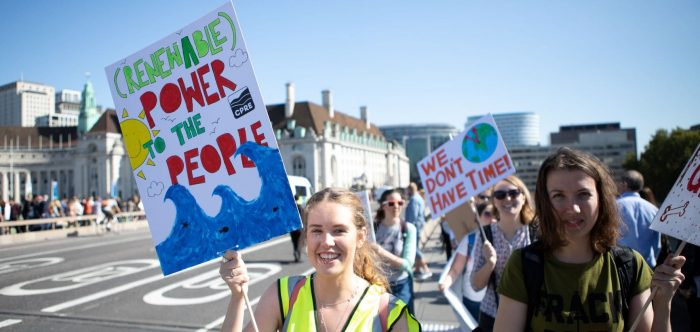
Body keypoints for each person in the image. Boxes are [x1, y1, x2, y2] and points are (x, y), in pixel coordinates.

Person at [495, 147, 686, 331]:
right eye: (559, 195)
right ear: (545, 202)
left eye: (583, 194)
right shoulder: (523, 266)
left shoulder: (630, 265)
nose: (573, 208)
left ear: (601, 199)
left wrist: (663, 305)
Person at [219, 187, 420, 331]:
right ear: (306, 236)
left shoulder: (389, 312)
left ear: (360, 237)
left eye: (339, 230)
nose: (327, 241)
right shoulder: (282, 295)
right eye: (316, 231)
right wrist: (237, 297)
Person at [470, 175, 535, 331]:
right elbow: (476, 285)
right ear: (494, 202)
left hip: (532, 315)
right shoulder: (486, 235)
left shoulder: (536, 233)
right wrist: (490, 263)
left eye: (513, 193)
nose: (507, 199)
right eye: (500, 195)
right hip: (493, 315)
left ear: (524, 197)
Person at [439, 201, 497, 320]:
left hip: (497, 302)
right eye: (487, 214)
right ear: (478, 218)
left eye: (496, 214)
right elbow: (455, 269)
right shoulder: (470, 239)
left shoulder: (504, 239)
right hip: (472, 300)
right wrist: (446, 283)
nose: (493, 219)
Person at [374, 188, 418, 314]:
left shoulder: (408, 229)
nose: (396, 206)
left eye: (400, 203)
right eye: (391, 203)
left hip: (401, 286)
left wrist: (380, 252)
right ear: (383, 206)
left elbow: (407, 264)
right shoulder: (373, 228)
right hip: (378, 287)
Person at [617, 170, 661, 267]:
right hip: (647, 265)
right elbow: (657, 245)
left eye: (619, 183)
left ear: (624, 184)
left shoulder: (614, 206)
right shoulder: (654, 210)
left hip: (620, 265)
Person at [405, 182, 432, 281]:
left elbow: (413, 216)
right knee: (415, 247)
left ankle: (426, 269)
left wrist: (407, 227)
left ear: (410, 190)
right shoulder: (419, 198)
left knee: (415, 249)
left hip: (414, 228)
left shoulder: (414, 199)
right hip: (419, 226)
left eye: (408, 190)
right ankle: (417, 269)